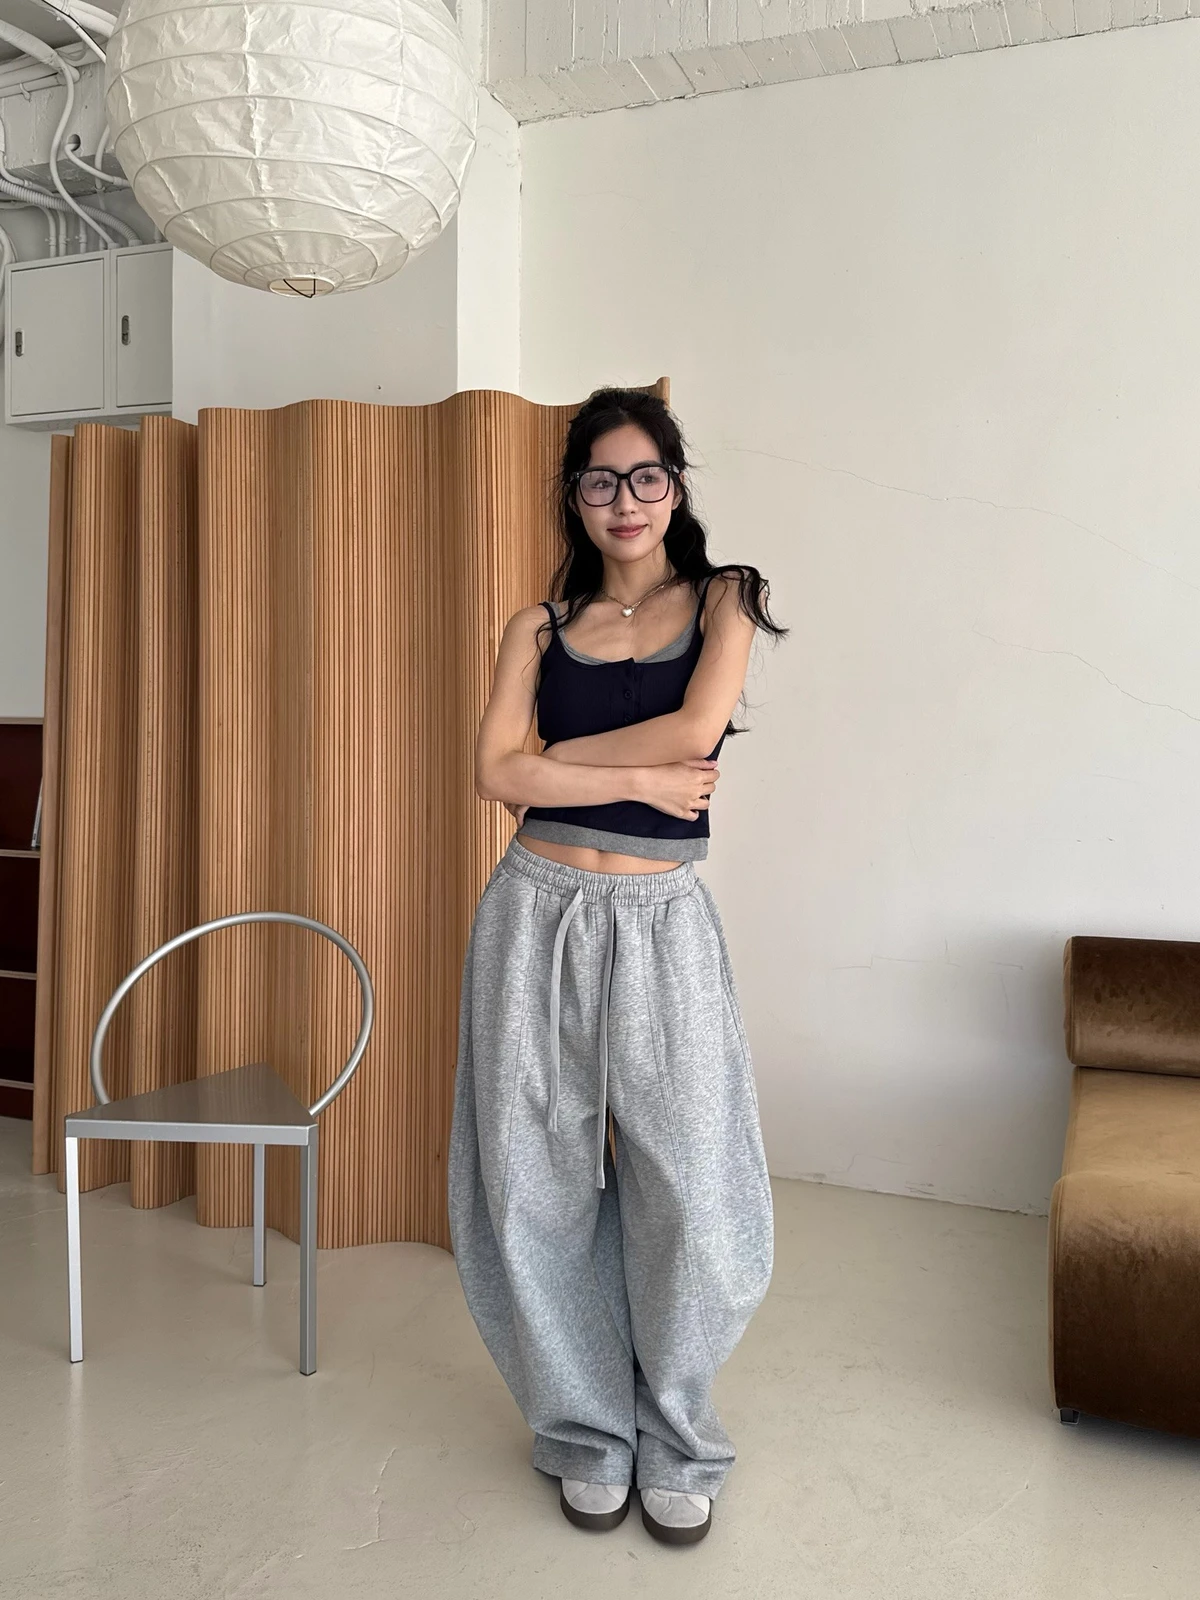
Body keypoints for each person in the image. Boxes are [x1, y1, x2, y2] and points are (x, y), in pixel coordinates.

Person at [448, 386, 786, 1546]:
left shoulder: (727, 596)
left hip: (660, 917)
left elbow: (693, 733)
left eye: (646, 476)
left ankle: (677, 1430)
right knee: (532, 1177)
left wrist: (551, 761)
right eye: (601, 480)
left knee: (689, 1180)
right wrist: (629, 780)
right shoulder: (536, 629)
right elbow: (494, 777)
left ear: (674, 487)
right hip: (532, 910)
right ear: (575, 496)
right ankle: (586, 1430)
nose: (625, 500)